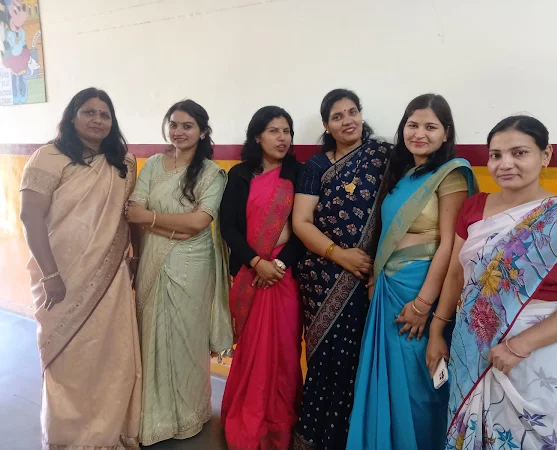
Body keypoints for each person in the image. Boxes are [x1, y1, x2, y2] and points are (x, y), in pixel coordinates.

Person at [427, 115, 557, 449]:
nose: (505, 164)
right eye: (496, 155)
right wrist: (437, 331)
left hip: (537, 353)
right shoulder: (473, 208)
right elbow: (456, 274)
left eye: (519, 153)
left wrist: (519, 346)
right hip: (471, 346)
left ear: (545, 155)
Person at [347, 94, 478, 449]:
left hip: (421, 291)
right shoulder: (403, 175)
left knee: (419, 389)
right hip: (388, 290)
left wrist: (424, 305)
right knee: (388, 382)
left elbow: (451, 246)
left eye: (430, 127)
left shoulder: (452, 173)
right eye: (413, 125)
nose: (419, 134)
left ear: (446, 132)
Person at [19, 87, 141, 450]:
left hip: (110, 276)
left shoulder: (123, 163)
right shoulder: (48, 157)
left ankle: (108, 434)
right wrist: (50, 275)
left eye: (105, 114)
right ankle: (68, 439)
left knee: (111, 357)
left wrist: (134, 257)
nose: (98, 120)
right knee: (68, 360)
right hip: (61, 277)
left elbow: (127, 216)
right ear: (72, 117)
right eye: (89, 112)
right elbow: (30, 218)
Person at [125, 100, 232, 446]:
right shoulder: (155, 164)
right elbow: (133, 209)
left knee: (187, 338)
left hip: (192, 266)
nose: (179, 131)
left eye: (187, 126)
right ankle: (153, 416)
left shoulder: (211, 173)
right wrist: (172, 227)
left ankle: (188, 415)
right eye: (174, 124)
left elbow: (200, 222)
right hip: (153, 259)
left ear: (202, 131)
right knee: (150, 333)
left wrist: (152, 220)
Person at [292, 88, 393, 450]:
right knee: (325, 359)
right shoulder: (316, 166)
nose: (347, 121)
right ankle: (313, 437)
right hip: (323, 275)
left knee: (358, 360)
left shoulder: (384, 157)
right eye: (338, 116)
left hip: (370, 278)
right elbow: (301, 222)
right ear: (327, 125)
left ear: (361, 115)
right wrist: (341, 255)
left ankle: (352, 439)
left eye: (352, 112)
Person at [220, 106, 305, 450]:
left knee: (284, 350)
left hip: (285, 275)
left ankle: (281, 418)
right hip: (250, 272)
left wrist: (278, 265)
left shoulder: (299, 173)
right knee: (253, 350)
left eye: (287, 131)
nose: (282, 138)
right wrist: (257, 263)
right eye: (274, 131)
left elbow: (304, 228)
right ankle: (250, 413)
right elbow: (228, 227)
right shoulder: (240, 174)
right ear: (258, 136)